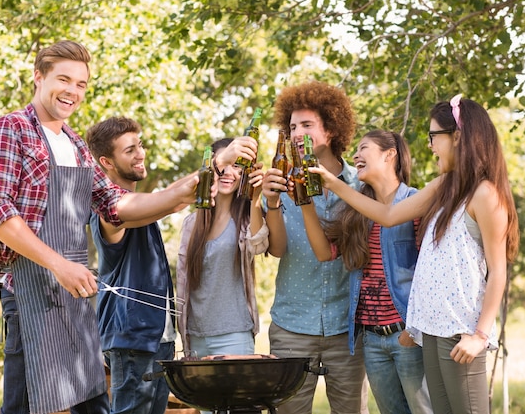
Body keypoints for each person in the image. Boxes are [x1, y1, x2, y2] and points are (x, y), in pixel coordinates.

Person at [0, 40, 200, 414]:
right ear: (38, 77)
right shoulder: (11, 129)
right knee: (23, 406)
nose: (73, 91)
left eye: (81, 84)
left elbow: (116, 205)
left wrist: (193, 184)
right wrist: (59, 265)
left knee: (92, 402)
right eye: (64, 79)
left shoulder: (76, 145)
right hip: (28, 295)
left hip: (75, 296)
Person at [308, 95, 519, 414]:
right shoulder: (445, 185)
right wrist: (334, 185)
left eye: (435, 136)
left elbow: (497, 271)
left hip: (460, 331)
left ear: (458, 137)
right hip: (431, 330)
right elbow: (389, 215)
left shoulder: (485, 193)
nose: (431, 145)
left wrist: (479, 335)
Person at [300, 129, 433, 414]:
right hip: (371, 340)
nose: (355, 156)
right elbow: (325, 252)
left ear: (389, 154)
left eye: (364, 148)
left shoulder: (416, 202)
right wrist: (304, 201)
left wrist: (414, 330)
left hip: (407, 335)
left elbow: (431, 271)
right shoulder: (355, 209)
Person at [261, 80, 368, 414]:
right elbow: (276, 250)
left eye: (306, 125)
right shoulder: (280, 180)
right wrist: (271, 202)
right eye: (292, 126)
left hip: (347, 329)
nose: (296, 133)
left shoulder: (361, 187)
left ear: (332, 130)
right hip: (292, 327)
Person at [87, 116, 187, 414]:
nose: (140, 153)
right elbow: (172, 198)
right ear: (107, 162)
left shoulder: (143, 204)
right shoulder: (110, 213)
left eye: (139, 145)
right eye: (129, 150)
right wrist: (220, 159)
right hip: (132, 338)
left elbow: (174, 198)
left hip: (159, 336)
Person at [177, 137, 269, 359]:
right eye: (223, 165)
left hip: (234, 334)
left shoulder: (246, 218)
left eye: (237, 166)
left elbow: (259, 244)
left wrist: (256, 199)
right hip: (195, 335)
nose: (229, 172)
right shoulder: (191, 223)